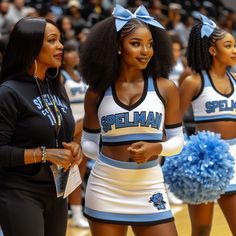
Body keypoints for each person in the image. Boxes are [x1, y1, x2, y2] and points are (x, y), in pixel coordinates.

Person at [80, 4, 184, 236]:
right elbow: (88, 142)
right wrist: (103, 154)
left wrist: (157, 147)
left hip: (149, 185)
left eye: (150, 44)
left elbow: (178, 142)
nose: (145, 51)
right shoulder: (97, 92)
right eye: (136, 44)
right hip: (106, 188)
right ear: (118, 46)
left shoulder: (165, 88)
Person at [0, 17, 83, 236]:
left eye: (60, 40)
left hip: (57, 190)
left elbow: (60, 134)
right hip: (21, 192)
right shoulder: (8, 92)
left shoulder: (56, 87)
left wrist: (74, 148)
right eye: (52, 40)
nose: (61, 46)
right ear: (31, 46)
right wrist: (45, 154)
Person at [179, 14, 236, 236]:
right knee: (202, 229)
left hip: (234, 158)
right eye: (228, 46)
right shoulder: (194, 81)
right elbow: (173, 120)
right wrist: (183, 152)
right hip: (203, 162)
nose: (234, 50)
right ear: (213, 50)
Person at [61, 41, 89, 228]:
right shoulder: (60, 77)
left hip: (84, 128)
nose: (74, 54)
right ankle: (63, 214)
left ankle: (77, 213)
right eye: (69, 51)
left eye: (75, 50)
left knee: (79, 172)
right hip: (69, 128)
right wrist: (74, 127)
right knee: (65, 174)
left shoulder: (80, 75)